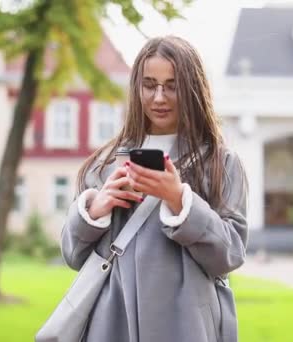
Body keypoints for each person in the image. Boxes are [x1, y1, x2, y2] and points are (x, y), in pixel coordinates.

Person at [60, 35, 248, 342]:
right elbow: (73, 255)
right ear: (137, 88)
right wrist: (95, 210)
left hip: (186, 327)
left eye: (172, 85)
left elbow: (229, 255)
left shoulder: (220, 163)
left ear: (192, 89)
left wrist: (179, 200)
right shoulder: (106, 163)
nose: (159, 97)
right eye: (149, 85)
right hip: (112, 325)